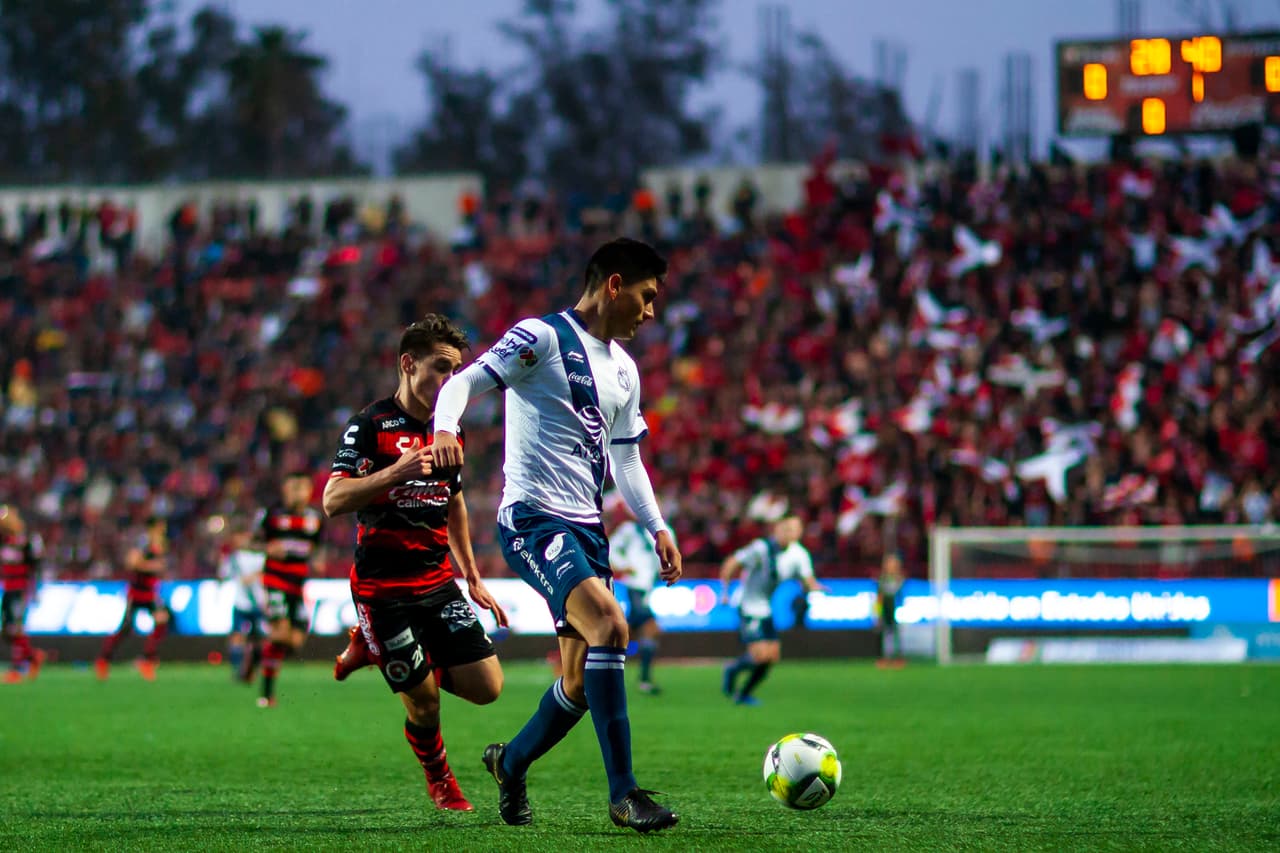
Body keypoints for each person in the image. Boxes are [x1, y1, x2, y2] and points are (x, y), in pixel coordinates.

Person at [432, 237, 682, 833]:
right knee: (611, 626)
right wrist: (443, 429)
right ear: (615, 286)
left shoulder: (625, 370)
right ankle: (624, 793)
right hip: (534, 518)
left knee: (577, 682)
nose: (651, 312)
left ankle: (510, 763)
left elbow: (626, 459)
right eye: (646, 296)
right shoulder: (541, 337)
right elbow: (462, 383)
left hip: (588, 529)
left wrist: (657, 525)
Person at [325, 314, 509, 812]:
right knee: (425, 703)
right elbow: (333, 500)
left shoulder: (449, 430)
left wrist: (472, 575)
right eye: (442, 368)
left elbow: (454, 501)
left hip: (437, 582)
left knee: (488, 687)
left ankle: (378, 653)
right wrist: (396, 472)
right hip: (383, 591)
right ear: (408, 364)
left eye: (457, 371)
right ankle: (441, 779)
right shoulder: (370, 425)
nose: (452, 381)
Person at [719, 516, 824, 706]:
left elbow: (808, 581)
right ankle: (733, 670)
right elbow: (732, 562)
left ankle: (743, 693)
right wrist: (724, 591)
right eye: (787, 528)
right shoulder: (761, 548)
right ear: (777, 529)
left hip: (765, 608)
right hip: (747, 605)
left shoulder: (799, 554)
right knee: (760, 655)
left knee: (772, 656)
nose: (790, 533)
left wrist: (815, 588)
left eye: (795, 529)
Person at [253, 471, 324, 707]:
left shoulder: (314, 519)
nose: (297, 493)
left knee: (294, 642)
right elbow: (251, 541)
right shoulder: (272, 515)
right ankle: (266, 694)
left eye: (301, 488)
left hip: (298, 584)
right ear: (285, 490)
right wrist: (266, 548)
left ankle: (256, 652)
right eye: (293, 488)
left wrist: (318, 560)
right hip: (275, 580)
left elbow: (317, 547)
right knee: (281, 634)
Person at [97, 516, 170, 681]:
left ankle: (147, 660)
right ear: (154, 527)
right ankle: (104, 659)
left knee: (161, 621)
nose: (163, 530)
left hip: (151, 592)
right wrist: (153, 566)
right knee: (126, 628)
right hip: (137, 592)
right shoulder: (143, 543)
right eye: (161, 527)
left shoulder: (160, 545)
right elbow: (131, 563)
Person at [608, 505, 666, 695]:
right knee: (651, 629)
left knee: (625, 634)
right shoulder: (630, 530)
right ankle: (644, 679)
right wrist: (624, 565)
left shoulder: (663, 531)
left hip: (648, 588)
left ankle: (593, 659)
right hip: (635, 587)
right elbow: (611, 549)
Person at [1, 505, 46, 683]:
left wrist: (34, 589)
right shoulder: (4, 540)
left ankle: (17, 668)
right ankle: (33, 656)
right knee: (7, 631)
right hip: (8, 588)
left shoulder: (27, 541)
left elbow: (36, 566)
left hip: (21, 588)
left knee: (16, 628)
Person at [217, 522, 266, 682]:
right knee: (237, 636)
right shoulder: (233, 558)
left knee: (259, 639)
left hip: (258, 602)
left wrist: (254, 576)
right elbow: (223, 575)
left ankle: (253, 670)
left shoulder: (259, 555)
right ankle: (237, 671)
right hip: (241, 603)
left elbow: (266, 571)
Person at [876, 552, 906, 667]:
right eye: (889, 564)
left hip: (897, 611)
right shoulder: (882, 580)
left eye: (893, 564)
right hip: (885, 611)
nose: (891, 567)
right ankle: (885, 658)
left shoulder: (900, 579)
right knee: (886, 635)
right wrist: (878, 613)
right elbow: (879, 598)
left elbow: (901, 596)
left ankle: (898, 658)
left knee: (897, 634)